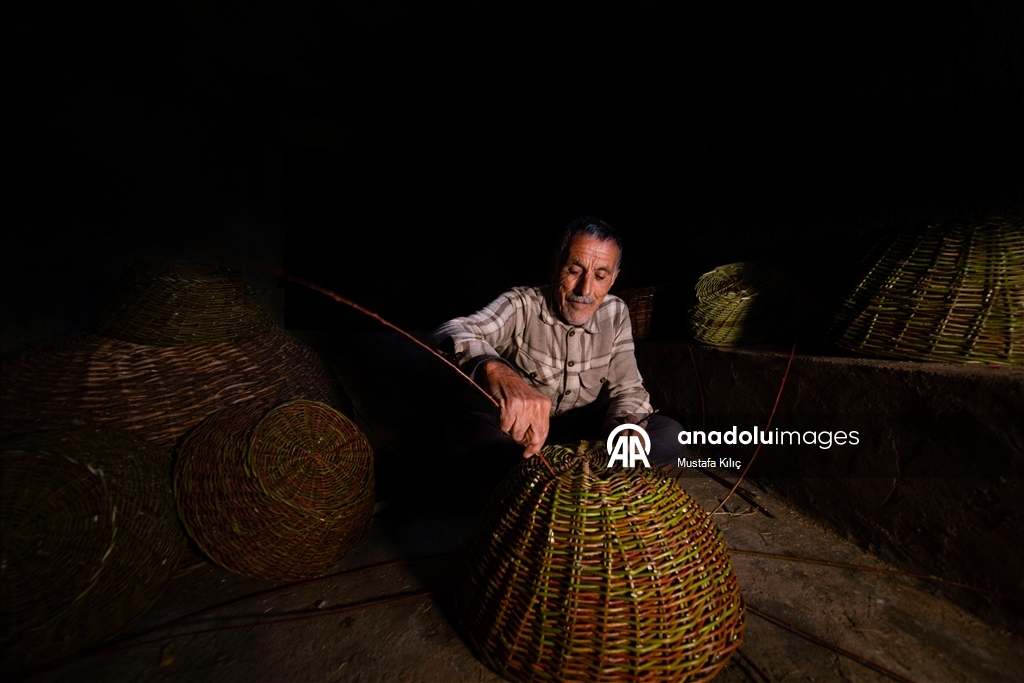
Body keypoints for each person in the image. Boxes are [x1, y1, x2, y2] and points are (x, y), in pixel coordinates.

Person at [434, 217, 683, 477]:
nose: (585, 289)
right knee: (465, 431)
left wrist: (624, 424)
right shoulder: (522, 304)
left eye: (600, 276)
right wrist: (498, 373)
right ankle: (576, 476)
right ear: (555, 266)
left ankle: (558, 474)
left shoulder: (615, 312)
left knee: (671, 434)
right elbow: (452, 331)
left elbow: (628, 389)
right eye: (574, 271)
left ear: (612, 280)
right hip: (524, 441)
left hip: (589, 439)